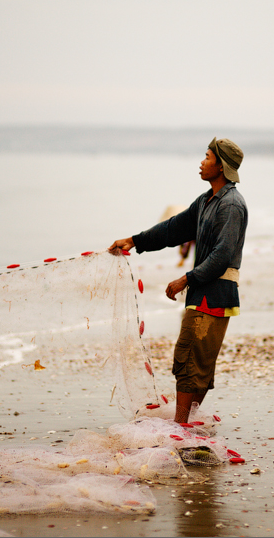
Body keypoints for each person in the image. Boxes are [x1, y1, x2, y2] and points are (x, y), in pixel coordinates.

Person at [108, 138, 247, 424]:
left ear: (221, 166)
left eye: (207, 157)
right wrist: (134, 241)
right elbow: (173, 229)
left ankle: (180, 426)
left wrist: (185, 278)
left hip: (215, 294)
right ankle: (186, 424)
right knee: (196, 361)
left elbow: (223, 254)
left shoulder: (231, 205)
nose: (202, 162)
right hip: (204, 292)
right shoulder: (207, 200)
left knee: (189, 361)